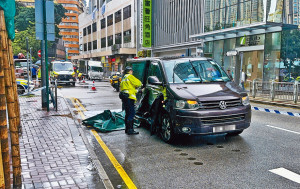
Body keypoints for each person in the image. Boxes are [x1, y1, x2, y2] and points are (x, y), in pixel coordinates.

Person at [119, 66, 142, 135]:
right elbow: (138, 83)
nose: (132, 72)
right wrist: (141, 85)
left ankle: (127, 129)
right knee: (131, 113)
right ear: (129, 71)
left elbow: (129, 89)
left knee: (127, 113)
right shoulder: (129, 76)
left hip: (125, 98)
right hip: (129, 98)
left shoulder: (124, 78)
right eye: (131, 71)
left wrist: (138, 90)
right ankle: (130, 130)